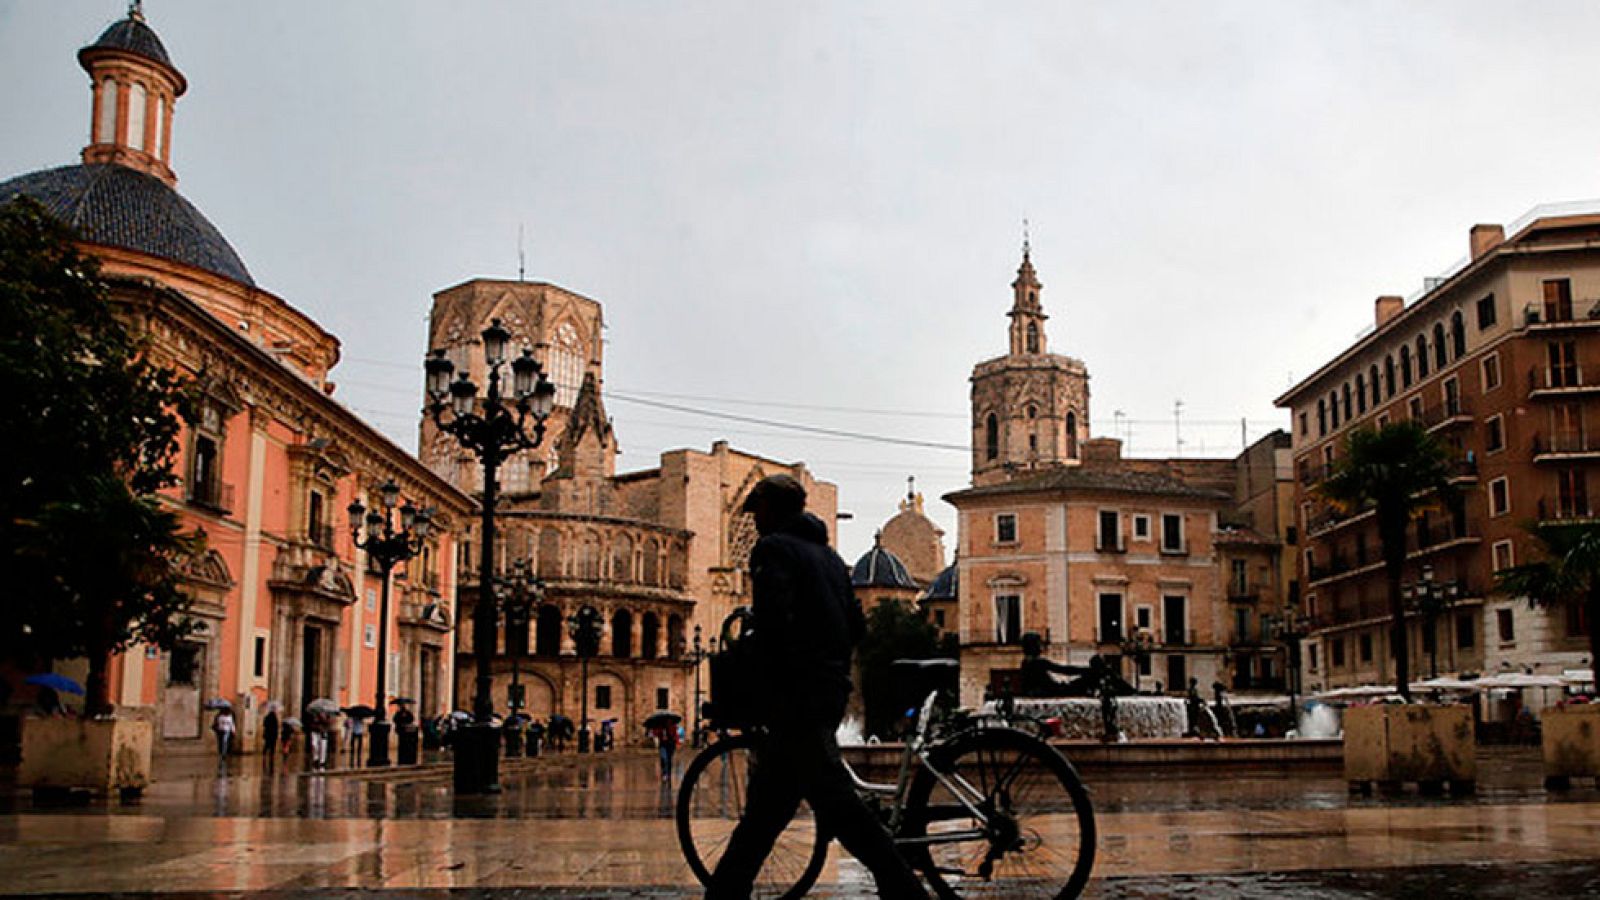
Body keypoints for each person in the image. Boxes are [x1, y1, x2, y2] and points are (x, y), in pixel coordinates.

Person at [707, 474, 928, 899]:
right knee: (769, 810)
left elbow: (773, 624)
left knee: (836, 808)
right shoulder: (830, 558)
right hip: (830, 691)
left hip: (795, 697)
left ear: (773, 510)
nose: (755, 521)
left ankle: (904, 889)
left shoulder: (773, 549)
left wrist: (750, 659)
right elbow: (857, 627)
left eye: (758, 511)